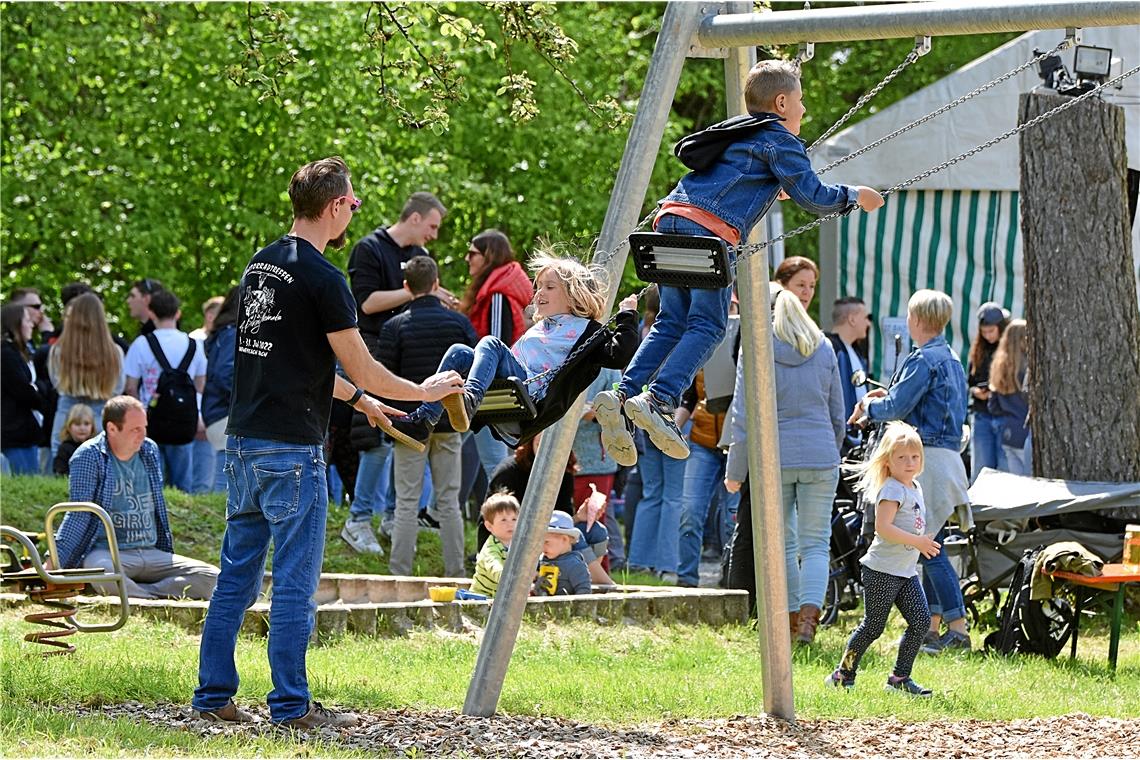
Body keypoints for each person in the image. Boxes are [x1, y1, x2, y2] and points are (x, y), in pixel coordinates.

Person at [192, 156, 462, 729]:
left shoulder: (260, 268)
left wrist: (359, 401)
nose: (352, 215)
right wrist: (422, 390)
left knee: (235, 577)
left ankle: (213, 697)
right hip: (291, 451)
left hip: (243, 444)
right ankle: (290, 707)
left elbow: (295, 363)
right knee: (294, 583)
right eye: (352, 205)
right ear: (336, 206)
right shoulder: (325, 279)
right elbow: (364, 366)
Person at [592, 59, 882, 468]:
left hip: (669, 217)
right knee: (708, 325)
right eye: (800, 103)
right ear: (782, 102)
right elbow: (813, 196)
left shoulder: (738, 132)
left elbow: (741, 179)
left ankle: (622, 394)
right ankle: (659, 399)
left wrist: (773, 189)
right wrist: (855, 196)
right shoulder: (779, 138)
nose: (803, 112)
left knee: (671, 322)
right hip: (708, 231)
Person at [393, 253, 639, 450]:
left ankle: (469, 398)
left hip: (529, 397)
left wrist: (627, 315)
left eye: (549, 287)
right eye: (538, 286)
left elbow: (620, 355)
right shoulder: (542, 326)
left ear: (573, 294)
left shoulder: (589, 332)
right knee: (458, 352)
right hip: (511, 387)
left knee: (491, 343)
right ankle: (425, 419)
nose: (539, 292)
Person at [849, 289, 971, 654]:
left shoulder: (923, 360)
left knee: (928, 549)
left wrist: (868, 409)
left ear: (916, 320)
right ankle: (933, 628)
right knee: (930, 544)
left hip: (925, 459)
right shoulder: (951, 358)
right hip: (948, 459)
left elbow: (898, 406)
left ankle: (958, 629)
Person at [725, 286, 845, 643]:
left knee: (785, 545)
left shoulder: (758, 348)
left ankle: (791, 623)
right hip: (820, 456)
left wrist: (735, 471)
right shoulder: (824, 348)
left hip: (774, 459)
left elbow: (742, 417)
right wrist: (830, 450)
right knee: (816, 544)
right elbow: (837, 412)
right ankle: (810, 619)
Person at [342, 191, 455, 552]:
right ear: (416, 218)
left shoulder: (419, 256)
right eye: (433, 226)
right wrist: (417, 294)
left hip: (407, 352)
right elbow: (367, 303)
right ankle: (357, 520)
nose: (434, 235)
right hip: (372, 349)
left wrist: (438, 297)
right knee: (375, 435)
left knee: (405, 435)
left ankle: (393, 516)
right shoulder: (369, 249)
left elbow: (421, 292)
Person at [50, 396, 220, 599]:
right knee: (103, 574)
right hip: (109, 553)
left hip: (151, 551)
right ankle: (142, 594)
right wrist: (51, 563)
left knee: (214, 578)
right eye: (135, 429)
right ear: (112, 428)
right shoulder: (88, 455)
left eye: (144, 427)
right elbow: (77, 515)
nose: (143, 435)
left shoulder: (149, 449)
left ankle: (144, 594)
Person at [376, 256, 477, 576]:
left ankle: (400, 573)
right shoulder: (459, 324)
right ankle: (456, 572)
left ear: (407, 287)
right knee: (449, 502)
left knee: (406, 501)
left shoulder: (394, 327)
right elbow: (473, 370)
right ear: (436, 284)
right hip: (450, 423)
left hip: (409, 426)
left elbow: (384, 380)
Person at [824, 421, 936, 697]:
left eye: (915, 457)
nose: (909, 463)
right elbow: (883, 528)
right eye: (902, 458)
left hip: (905, 571)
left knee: (921, 621)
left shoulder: (914, 487)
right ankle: (843, 673)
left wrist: (924, 538)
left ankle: (899, 679)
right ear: (888, 461)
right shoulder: (892, 490)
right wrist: (917, 542)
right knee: (873, 627)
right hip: (882, 571)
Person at [487, 436, 613, 585]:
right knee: (571, 537)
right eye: (540, 443)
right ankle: (604, 583)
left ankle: (585, 580)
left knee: (596, 531)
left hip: (549, 531)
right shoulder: (509, 471)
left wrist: (579, 517)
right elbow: (491, 519)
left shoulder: (563, 470)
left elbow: (562, 519)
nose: (546, 450)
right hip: (516, 536)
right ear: (531, 442)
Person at [459, 229, 534, 482]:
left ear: (488, 256)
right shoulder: (492, 293)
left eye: (472, 253)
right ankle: (436, 512)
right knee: (458, 445)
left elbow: (495, 343)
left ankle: (508, 517)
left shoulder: (498, 296)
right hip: (484, 389)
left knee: (495, 463)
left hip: (491, 391)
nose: (467, 259)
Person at [124, 289, 207, 493]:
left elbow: (130, 387)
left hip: (150, 419)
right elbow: (200, 385)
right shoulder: (194, 345)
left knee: (152, 483)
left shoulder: (142, 344)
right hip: (184, 420)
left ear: (151, 313)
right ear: (178, 313)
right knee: (183, 483)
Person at [675, 369, 736, 588]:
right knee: (690, 510)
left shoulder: (744, 347)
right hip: (702, 443)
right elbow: (689, 399)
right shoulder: (704, 349)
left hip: (737, 445)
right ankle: (686, 580)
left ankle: (732, 580)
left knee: (732, 518)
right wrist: (672, 429)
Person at [47, 293, 126, 460]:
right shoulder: (115, 352)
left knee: (60, 464)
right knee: (102, 466)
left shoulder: (58, 351)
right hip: (102, 411)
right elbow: (118, 387)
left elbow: (56, 381)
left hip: (67, 411)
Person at [572, 367, 626, 571]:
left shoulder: (609, 367)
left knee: (593, 524)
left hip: (597, 460)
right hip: (561, 458)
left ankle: (599, 576)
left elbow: (618, 406)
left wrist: (593, 412)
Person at [1, 303, 49, 474]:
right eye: (27, 320)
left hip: (25, 432)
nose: (31, 325)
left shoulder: (17, 352)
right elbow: (24, 391)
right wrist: (38, 393)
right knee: (26, 478)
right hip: (15, 433)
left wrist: (36, 388)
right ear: (15, 324)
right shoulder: (6, 353)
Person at [966, 301, 1010, 482]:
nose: (987, 336)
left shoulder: (1008, 350)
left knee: (1005, 472)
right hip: (982, 414)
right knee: (981, 471)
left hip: (1003, 414)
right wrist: (976, 391)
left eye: (991, 331)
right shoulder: (978, 351)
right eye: (984, 332)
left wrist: (995, 391)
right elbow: (970, 381)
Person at [201, 288, 239, 492]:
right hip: (224, 413)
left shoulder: (223, 333)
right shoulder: (232, 333)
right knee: (226, 477)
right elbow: (226, 373)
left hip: (216, 413)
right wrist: (247, 397)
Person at [987, 319, 1031, 476]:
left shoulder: (999, 368)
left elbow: (993, 406)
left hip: (1007, 433)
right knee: (1031, 486)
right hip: (1025, 434)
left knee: (1016, 486)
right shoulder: (1028, 369)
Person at [826, 297, 873, 431]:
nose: (868, 323)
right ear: (852, 319)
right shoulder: (832, 349)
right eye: (865, 318)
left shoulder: (856, 352)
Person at [470, 491, 519, 597]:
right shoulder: (490, 549)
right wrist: (516, 581)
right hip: (483, 598)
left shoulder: (518, 543)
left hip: (503, 596)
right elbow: (495, 568)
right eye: (503, 520)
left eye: (514, 519)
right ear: (489, 526)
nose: (510, 524)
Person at [534, 511, 593, 596]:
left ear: (564, 539)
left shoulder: (574, 565)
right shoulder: (542, 560)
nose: (542, 547)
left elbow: (584, 591)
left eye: (546, 542)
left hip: (565, 607)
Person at [53, 403, 96, 475]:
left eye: (86, 424)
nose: (82, 428)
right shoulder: (64, 448)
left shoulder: (96, 448)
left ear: (92, 427)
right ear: (69, 427)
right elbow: (59, 471)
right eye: (77, 424)